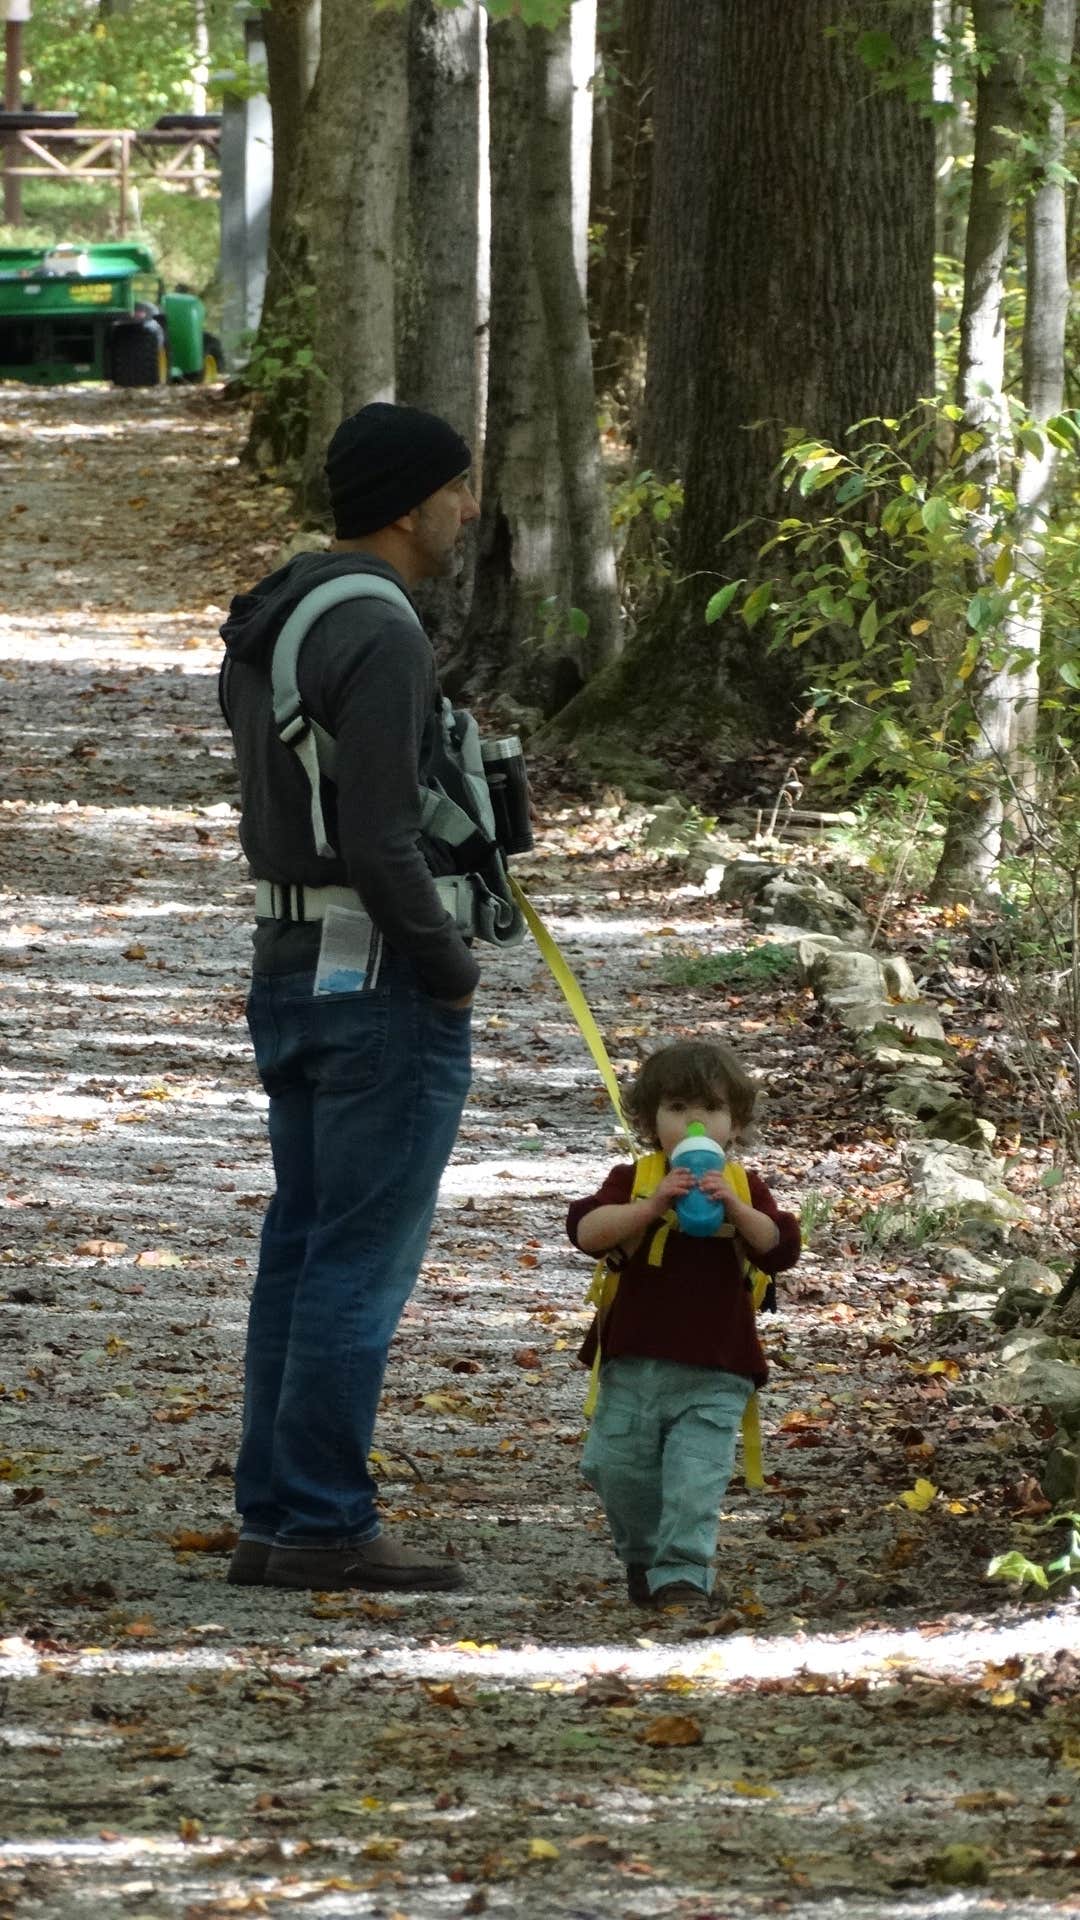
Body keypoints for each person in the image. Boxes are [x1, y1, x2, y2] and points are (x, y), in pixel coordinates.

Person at [218, 402, 484, 1593]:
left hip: (291, 963)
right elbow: (379, 838)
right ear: (406, 501)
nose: (470, 510)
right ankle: (324, 1521)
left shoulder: (281, 611)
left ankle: (277, 1517)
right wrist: (449, 964)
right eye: (458, 489)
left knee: (305, 1245)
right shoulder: (382, 630)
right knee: (355, 1260)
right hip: (376, 977)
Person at [567, 1039, 800, 1609]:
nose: (694, 1122)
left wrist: (738, 1210)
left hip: (717, 1366)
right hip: (633, 1360)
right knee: (617, 1471)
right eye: (676, 1109)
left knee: (695, 1479)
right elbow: (586, 1232)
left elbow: (780, 1247)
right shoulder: (637, 1177)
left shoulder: (745, 1187)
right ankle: (645, 1560)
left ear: (734, 1123)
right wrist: (649, 1208)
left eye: (711, 1110)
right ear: (649, 1121)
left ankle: (683, 1575)